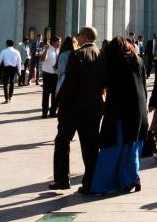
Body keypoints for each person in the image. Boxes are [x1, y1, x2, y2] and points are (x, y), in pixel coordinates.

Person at [89, 36, 148, 195]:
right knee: (132, 146)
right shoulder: (138, 60)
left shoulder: (113, 61)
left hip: (119, 109)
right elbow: (143, 83)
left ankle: (104, 184)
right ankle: (132, 178)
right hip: (138, 108)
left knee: (112, 148)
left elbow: (102, 83)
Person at [51, 26, 104, 193]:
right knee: (90, 145)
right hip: (94, 107)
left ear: (85, 36)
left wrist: (59, 105)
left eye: (79, 34)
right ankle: (91, 182)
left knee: (62, 141)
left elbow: (69, 85)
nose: (77, 37)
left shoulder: (77, 54)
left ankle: (62, 180)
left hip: (74, 108)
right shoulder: (101, 54)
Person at [41, 35, 61, 118]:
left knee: (55, 94)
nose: (60, 43)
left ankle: (53, 111)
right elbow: (42, 59)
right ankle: (44, 112)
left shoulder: (59, 50)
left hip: (56, 75)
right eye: (59, 41)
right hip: (47, 75)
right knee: (46, 94)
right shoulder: (47, 49)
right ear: (54, 42)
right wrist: (46, 49)